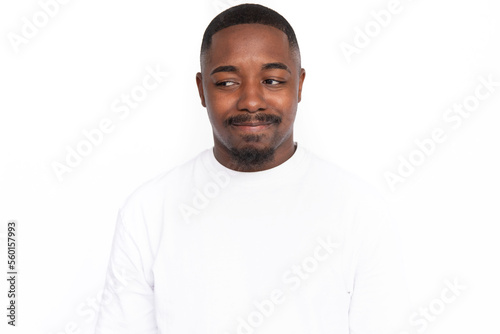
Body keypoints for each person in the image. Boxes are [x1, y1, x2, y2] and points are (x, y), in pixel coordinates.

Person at [95, 4, 411, 334]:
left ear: (299, 85)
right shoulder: (148, 211)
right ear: (202, 90)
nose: (251, 100)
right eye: (228, 83)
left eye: (272, 80)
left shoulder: (359, 210)